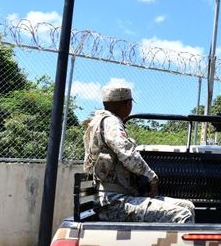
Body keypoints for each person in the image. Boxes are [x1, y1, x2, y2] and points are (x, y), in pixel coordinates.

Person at [83, 86, 195, 223]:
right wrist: (151, 177)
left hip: (118, 197)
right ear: (126, 104)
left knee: (187, 206)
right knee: (182, 214)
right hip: (114, 202)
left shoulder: (101, 122)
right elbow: (127, 153)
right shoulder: (111, 122)